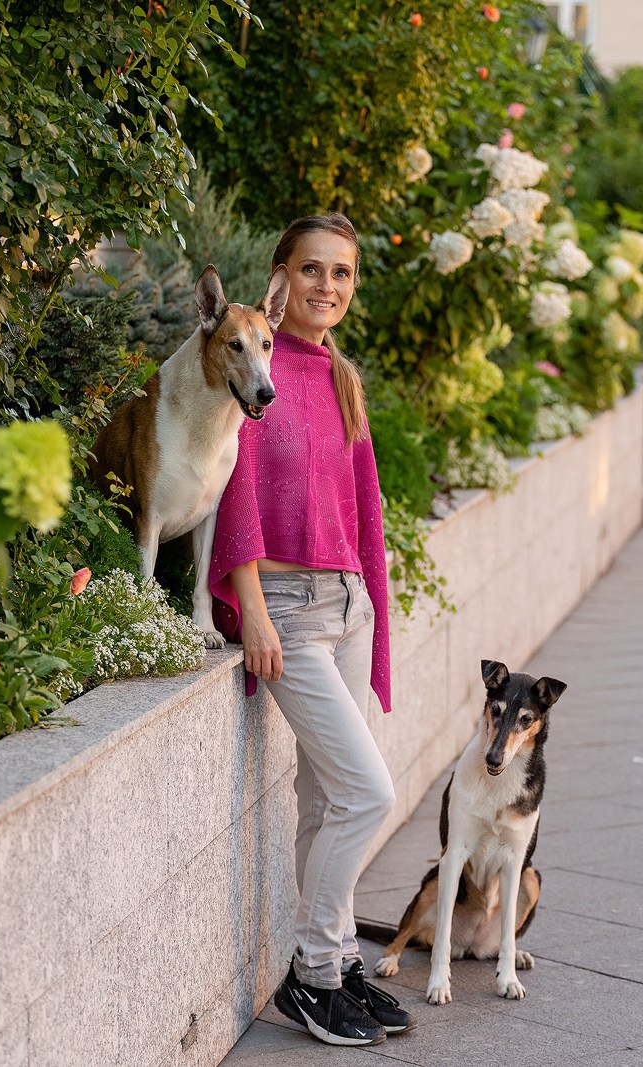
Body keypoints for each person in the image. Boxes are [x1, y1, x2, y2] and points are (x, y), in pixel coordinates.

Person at [208, 213, 412, 1047]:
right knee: (370, 793)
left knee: (326, 795)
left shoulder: (339, 375)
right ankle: (313, 972)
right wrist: (250, 606)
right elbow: (233, 491)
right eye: (312, 270)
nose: (327, 286)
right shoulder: (254, 368)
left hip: (344, 603)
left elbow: (363, 511)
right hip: (287, 610)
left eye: (343, 273)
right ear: (280, 276)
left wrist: (371, 605)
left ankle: (333, 960)